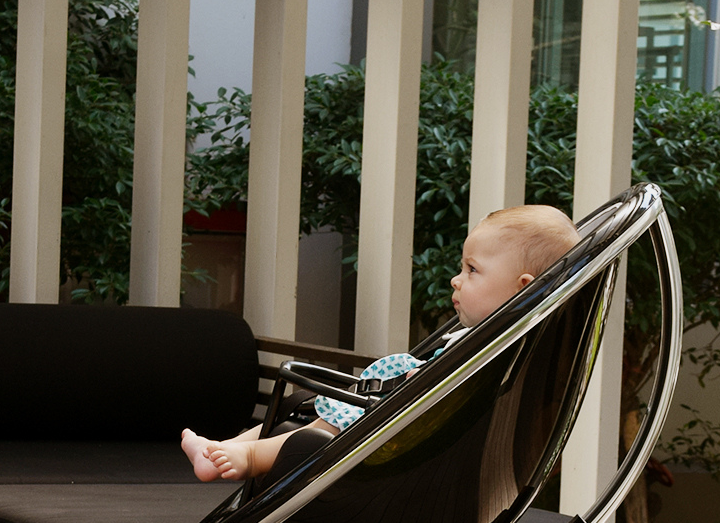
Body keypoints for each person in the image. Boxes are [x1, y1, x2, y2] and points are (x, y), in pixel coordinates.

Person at [182, 203, 579, 482]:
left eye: (472, 270)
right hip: (389, 412)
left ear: (522, 289)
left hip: (395, 436)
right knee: (302, 403)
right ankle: (223, 447)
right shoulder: (491, 338)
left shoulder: (502, 351)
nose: (456, 280)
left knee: (326, 427)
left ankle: (248, 456)